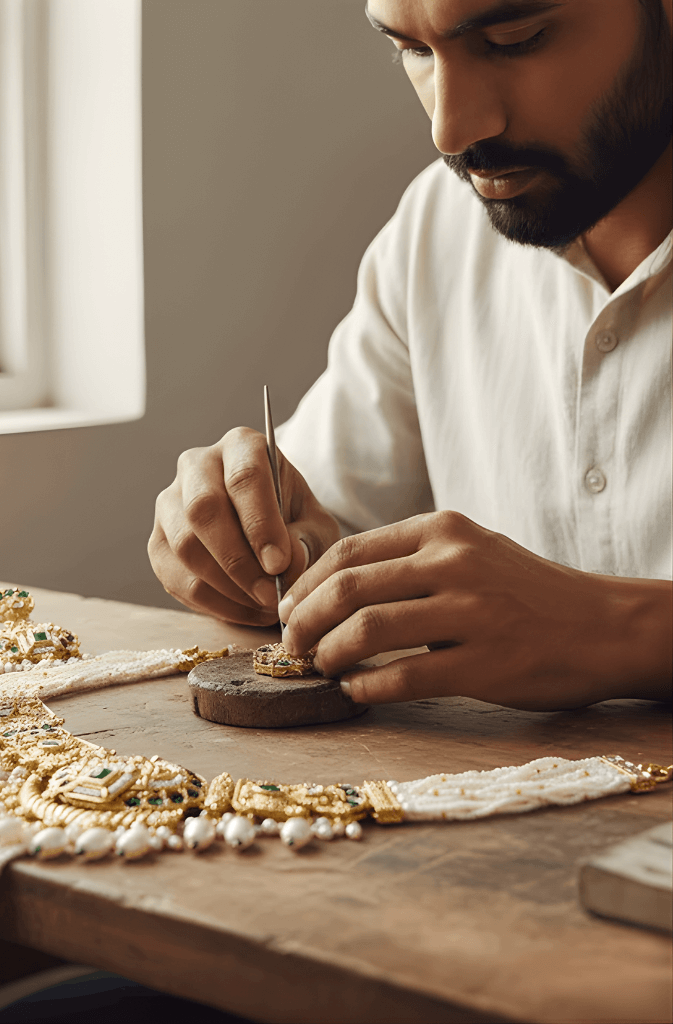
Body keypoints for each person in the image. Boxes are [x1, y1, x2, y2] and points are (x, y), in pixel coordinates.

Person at [148, 0, 672, 711]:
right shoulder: (440, 227)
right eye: (412, 51)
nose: (450, 129)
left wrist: (627, 631)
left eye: (514, 40)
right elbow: (323, 525)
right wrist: (251, 542)